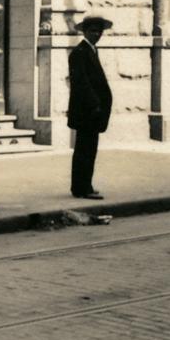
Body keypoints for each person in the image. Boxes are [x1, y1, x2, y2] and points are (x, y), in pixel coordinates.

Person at [66, 13, 114, 202]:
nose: (97, 35)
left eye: (99, 31)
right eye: (93, 31)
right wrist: (95, 104)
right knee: (84, 151)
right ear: (85, 32)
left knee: (88, 150)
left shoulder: (91, 50)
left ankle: (84, 185)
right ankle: (81, 187)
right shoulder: (80, 52)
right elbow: (82, 83)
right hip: (87, 112)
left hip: (92, 112)